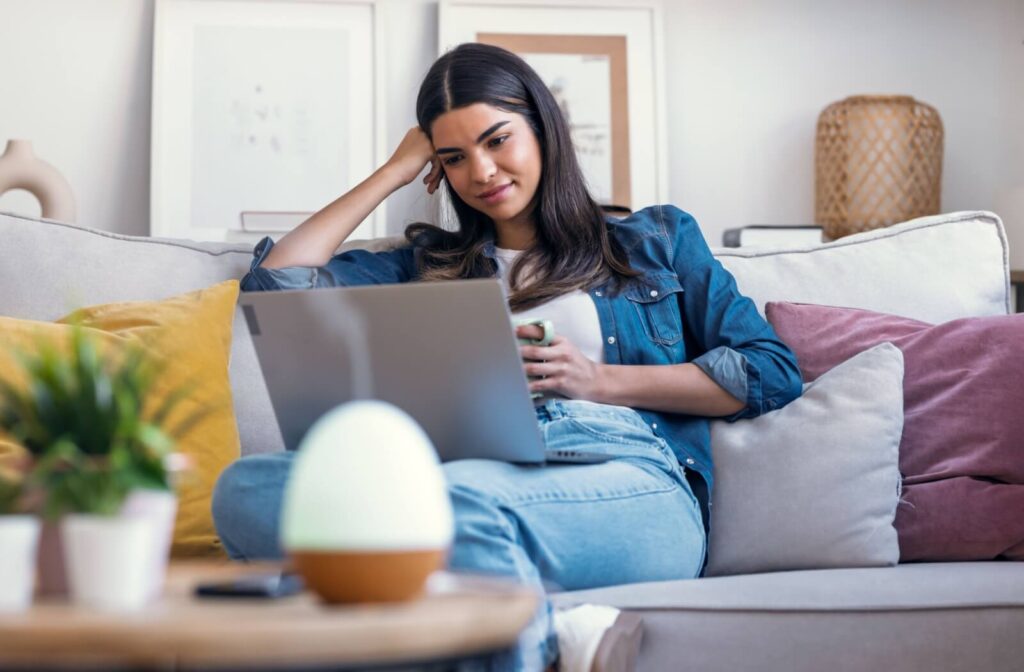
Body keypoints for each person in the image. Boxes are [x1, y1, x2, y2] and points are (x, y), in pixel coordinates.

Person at [212, 43, 803, 671]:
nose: (482, 172)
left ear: (543, 128)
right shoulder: (427, 268)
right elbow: (277, 287)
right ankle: (548, 636)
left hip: (629, 478)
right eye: (455, 158)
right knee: (246, 488)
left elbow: (770, 370)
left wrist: (598, 380)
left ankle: (475, 603)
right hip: (468, 474)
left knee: (441, 509)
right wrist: (395, 170)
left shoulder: (654, 239)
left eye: (498, 141)